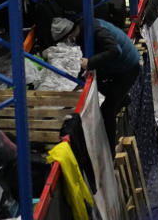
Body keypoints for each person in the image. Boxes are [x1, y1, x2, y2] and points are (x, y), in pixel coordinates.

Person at [52, 16, 140, 150]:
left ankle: (110, 150)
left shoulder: (95, 31)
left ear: (69, 34)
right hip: (118, 65)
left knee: (107, 111)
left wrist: (91, 62)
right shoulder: (83, 30)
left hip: (128, 67)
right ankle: (122, 100)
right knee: (99, 83)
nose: (67, 42)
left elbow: (115, 50)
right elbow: (88, 55)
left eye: (65, 39)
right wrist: (81, 76)